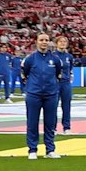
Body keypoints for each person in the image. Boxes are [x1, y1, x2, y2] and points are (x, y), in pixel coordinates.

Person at [20, 32, 66, 160]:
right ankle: (32, 150)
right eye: (41, 40)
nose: (44, 42)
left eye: (46, 40)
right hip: (34, 94)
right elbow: (25, 73)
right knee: (32, 122)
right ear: (37, 42)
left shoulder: (56, 59)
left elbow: (58, 74)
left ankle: (50, 150)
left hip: (51, 94)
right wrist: (31, 88)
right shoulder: (30, 59)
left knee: (50, 123)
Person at [53, 33, 75, 131]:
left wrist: (69, 76)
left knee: (66, 106)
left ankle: (66, 127)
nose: (63, 43)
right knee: (53, 105)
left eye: (64, 42)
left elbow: (70, 68)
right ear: (56, 44)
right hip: (55, 83)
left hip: (66, 83)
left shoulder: (69, 56)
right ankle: (52, 127)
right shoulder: (52, 55)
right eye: (60, 42)